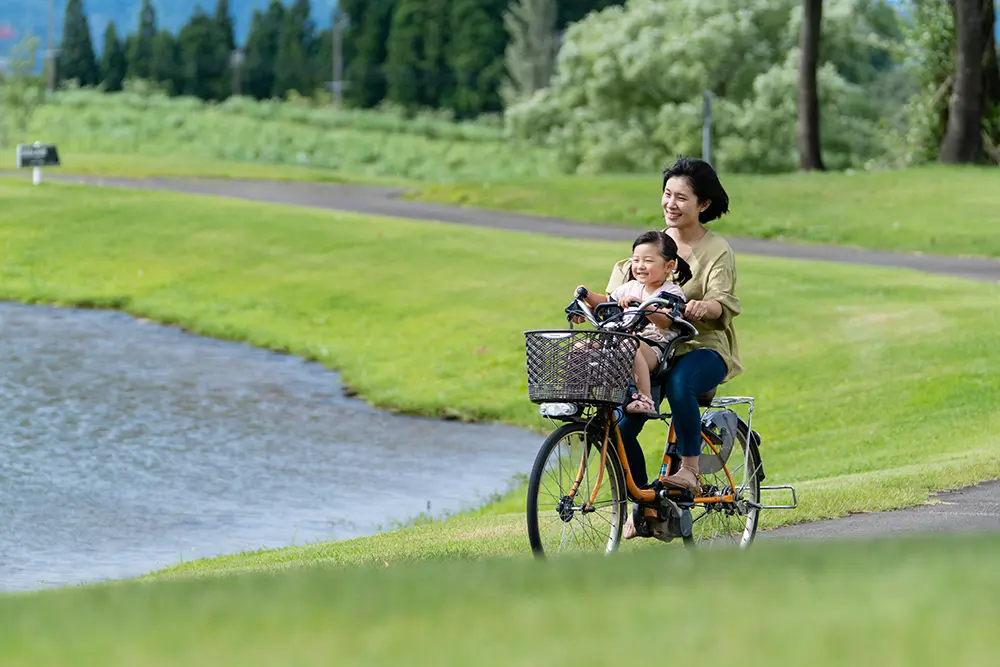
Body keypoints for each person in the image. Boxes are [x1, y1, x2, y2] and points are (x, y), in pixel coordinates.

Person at [608, 157, 742, 538]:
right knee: (621, 426)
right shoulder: (653, 245)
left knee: (682, 382)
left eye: (681, 197)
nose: (671, 203)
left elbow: (723, 301)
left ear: (703, 205)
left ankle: (690, 470)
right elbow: (619, 286)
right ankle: (646, 505)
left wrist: (703, 306)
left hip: (702, 347)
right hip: (650, 350)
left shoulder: (716, 249)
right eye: (667, 194)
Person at [575, 230, 691, 414]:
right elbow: (606, 301)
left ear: (669, 266)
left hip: (653, 350)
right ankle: (575, 394)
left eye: (648, 261)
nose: (640, 266)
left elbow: (665, 322)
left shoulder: (671, 292)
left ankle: (645, 398)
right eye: (636, 260)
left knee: (630, 344)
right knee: (581, 346)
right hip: (620, 342)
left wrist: (643, 306)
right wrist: (587, 296)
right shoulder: (631, 286)